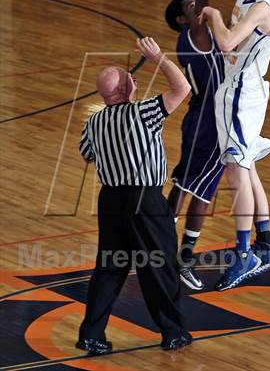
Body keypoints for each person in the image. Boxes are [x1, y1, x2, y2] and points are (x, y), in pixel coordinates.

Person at [171, 0, 270, 291]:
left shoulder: (261, 8)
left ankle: (245, 255)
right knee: (249, 168)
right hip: (246, 90)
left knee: (238, 176)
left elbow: (225, 42)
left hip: (242, 94)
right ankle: (268, 243)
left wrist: (216, 15)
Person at [76, 37, 192, 355]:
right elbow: (182, 89)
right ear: (127, 90)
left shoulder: (95, 121)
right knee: (160, 264)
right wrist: (158, 58)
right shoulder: (143, 112)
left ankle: (91, 334)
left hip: (111, 200)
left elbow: (88, 154)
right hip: (145, 200)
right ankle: (173, 332)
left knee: (110, 268)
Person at [165, 0, 225, 291]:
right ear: (183, 21)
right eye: (190, 6)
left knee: (183, 184)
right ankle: (184, 260)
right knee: (201, 192)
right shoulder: (199, 34)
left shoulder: (189, 39)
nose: (197, 6)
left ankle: (159, 242)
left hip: (198, 117)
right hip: (210, 120)